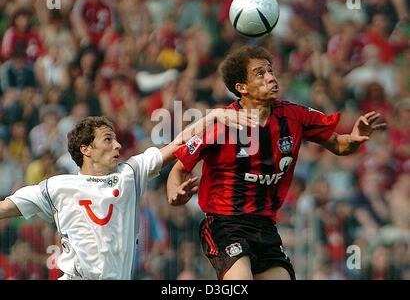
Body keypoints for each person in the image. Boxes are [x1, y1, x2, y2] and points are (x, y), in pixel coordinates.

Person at [166, 45, 387, 280]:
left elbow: (340, 145)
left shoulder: (294, 116)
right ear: (242, 88)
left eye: (270, 71)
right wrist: (174, 194)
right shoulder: (222, 124)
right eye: (260, 73)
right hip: (225, 224)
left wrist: (353, 139)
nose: (271, 78)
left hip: (265, 227)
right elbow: (179, 167)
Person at [0, 110, 255, 280]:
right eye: (108, 140)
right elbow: (5, 208)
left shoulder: (130, 173)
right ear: (86, 149)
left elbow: (178, 144)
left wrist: (213, 116)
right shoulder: (57, 186)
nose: (118, 145)